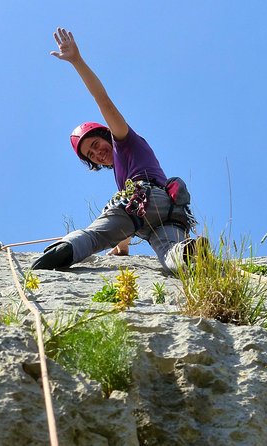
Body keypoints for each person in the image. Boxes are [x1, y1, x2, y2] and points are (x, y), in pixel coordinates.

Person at [32, 27, 197, 274]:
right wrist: (122, 248)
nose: (98, 153)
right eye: (91, 154)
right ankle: (187, 254)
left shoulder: (123, 140)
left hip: (144, 198)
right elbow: (130, 219)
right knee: (169, 252)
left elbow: (103, 101)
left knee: (95, 236)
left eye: (96, 144)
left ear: (106, 134)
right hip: (169, 210)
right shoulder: (123, 170)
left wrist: (77, 61)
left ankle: (64, 250)